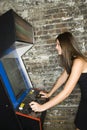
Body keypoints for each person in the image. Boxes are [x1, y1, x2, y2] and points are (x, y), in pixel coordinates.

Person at [29, 31, 87, 130]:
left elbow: (66, 92)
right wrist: (49, 94)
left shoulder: (78, 61)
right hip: (85, 100)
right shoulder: (72, 60)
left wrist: (42, 107)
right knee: (79, 126)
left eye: (58, 44)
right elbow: (62, 78)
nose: (56, 47)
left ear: (66, 45)